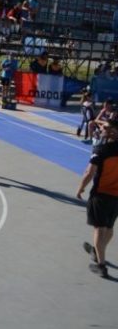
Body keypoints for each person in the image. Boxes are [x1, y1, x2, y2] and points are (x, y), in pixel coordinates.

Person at [76, 118, 118, 279]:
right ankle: (96, 251)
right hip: (116, 196)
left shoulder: (101, 149)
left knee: (99, 229)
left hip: (101, 194)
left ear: (113, 131)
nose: (102, 128)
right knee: (109, 228)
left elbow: (89, 172)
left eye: (105, 127)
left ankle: (101, 266)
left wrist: (81, 187)